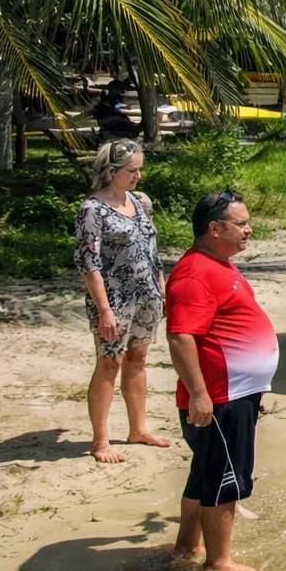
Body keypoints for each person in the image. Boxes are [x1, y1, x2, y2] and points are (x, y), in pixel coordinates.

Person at [165, 191, 278, 571]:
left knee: (205, 472)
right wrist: (199, 395)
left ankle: (185, 547)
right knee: (223, 479)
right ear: (215, 228)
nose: (249, 230)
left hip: (236, 393)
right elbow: (181, 337)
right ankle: (219, 563)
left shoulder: (220, 264)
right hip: (219, 397)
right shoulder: (195, 273)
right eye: (241, 223)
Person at [74, 140, 170, 464]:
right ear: (111, 171)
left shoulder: (140, 202)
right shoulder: (92, 209)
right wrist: (104, 310)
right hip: (113, 300)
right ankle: (100, 440)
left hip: (146, 295)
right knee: (108, 363)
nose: (138, 175)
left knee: (138, 359)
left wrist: (162, 289)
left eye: (140, 169)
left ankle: (137, 429)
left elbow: (152, 249)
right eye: (132, 170)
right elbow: (90, 264)